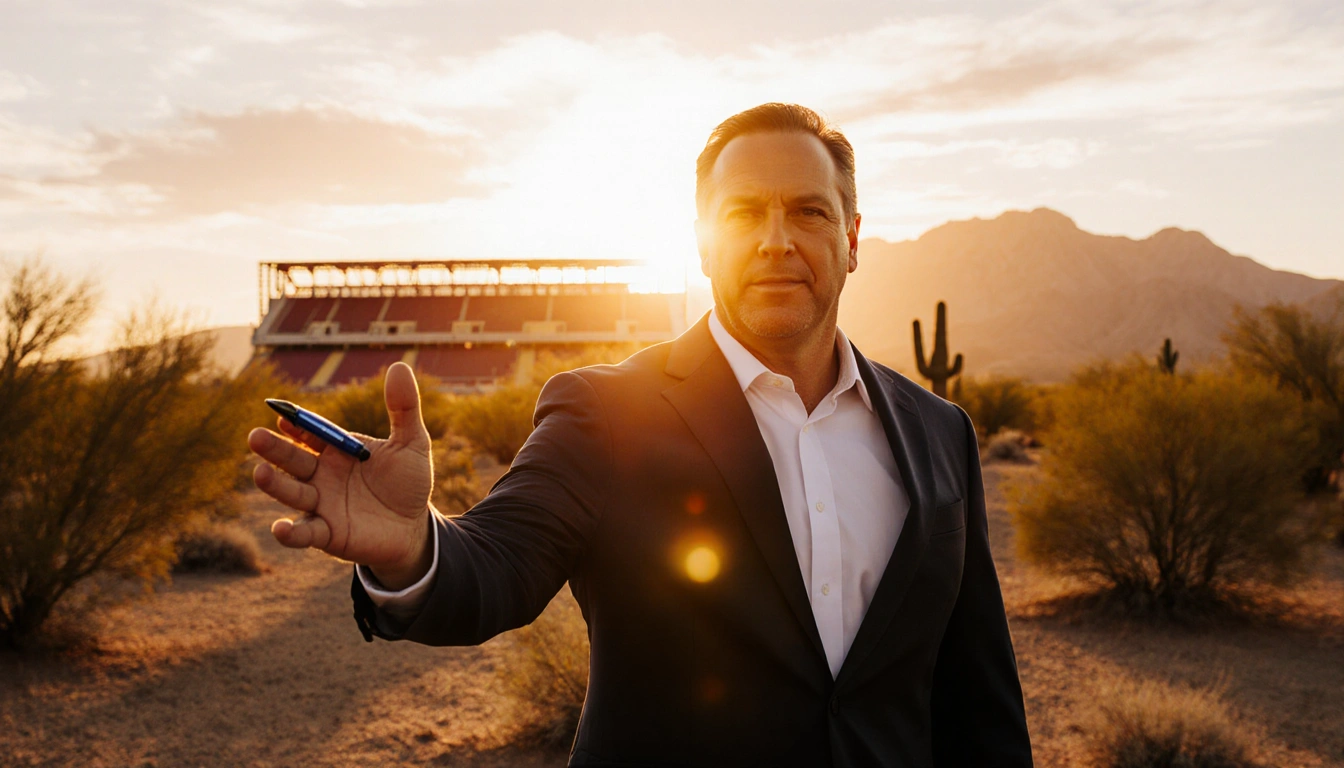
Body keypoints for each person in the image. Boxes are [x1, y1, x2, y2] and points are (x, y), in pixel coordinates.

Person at [248, 103, 1033, 766]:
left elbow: (979, 697)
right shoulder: (605, 413)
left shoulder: (940, 434)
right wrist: (415, 549)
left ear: (853, 238)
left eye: (808, 211)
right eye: (743, 214)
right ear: (701, 243)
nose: (775, 240)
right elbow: (497, 568)